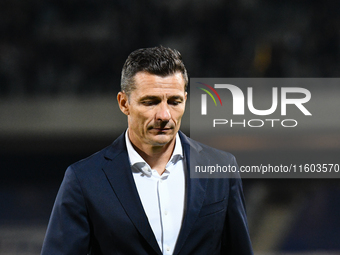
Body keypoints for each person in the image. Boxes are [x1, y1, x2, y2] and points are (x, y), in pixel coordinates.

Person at [41, 46, 253, 255]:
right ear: (124, 103)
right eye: (150, 102)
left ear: (185, 101)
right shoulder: (84, 179)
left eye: (174, 101)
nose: (164, 114)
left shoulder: (221, 168)